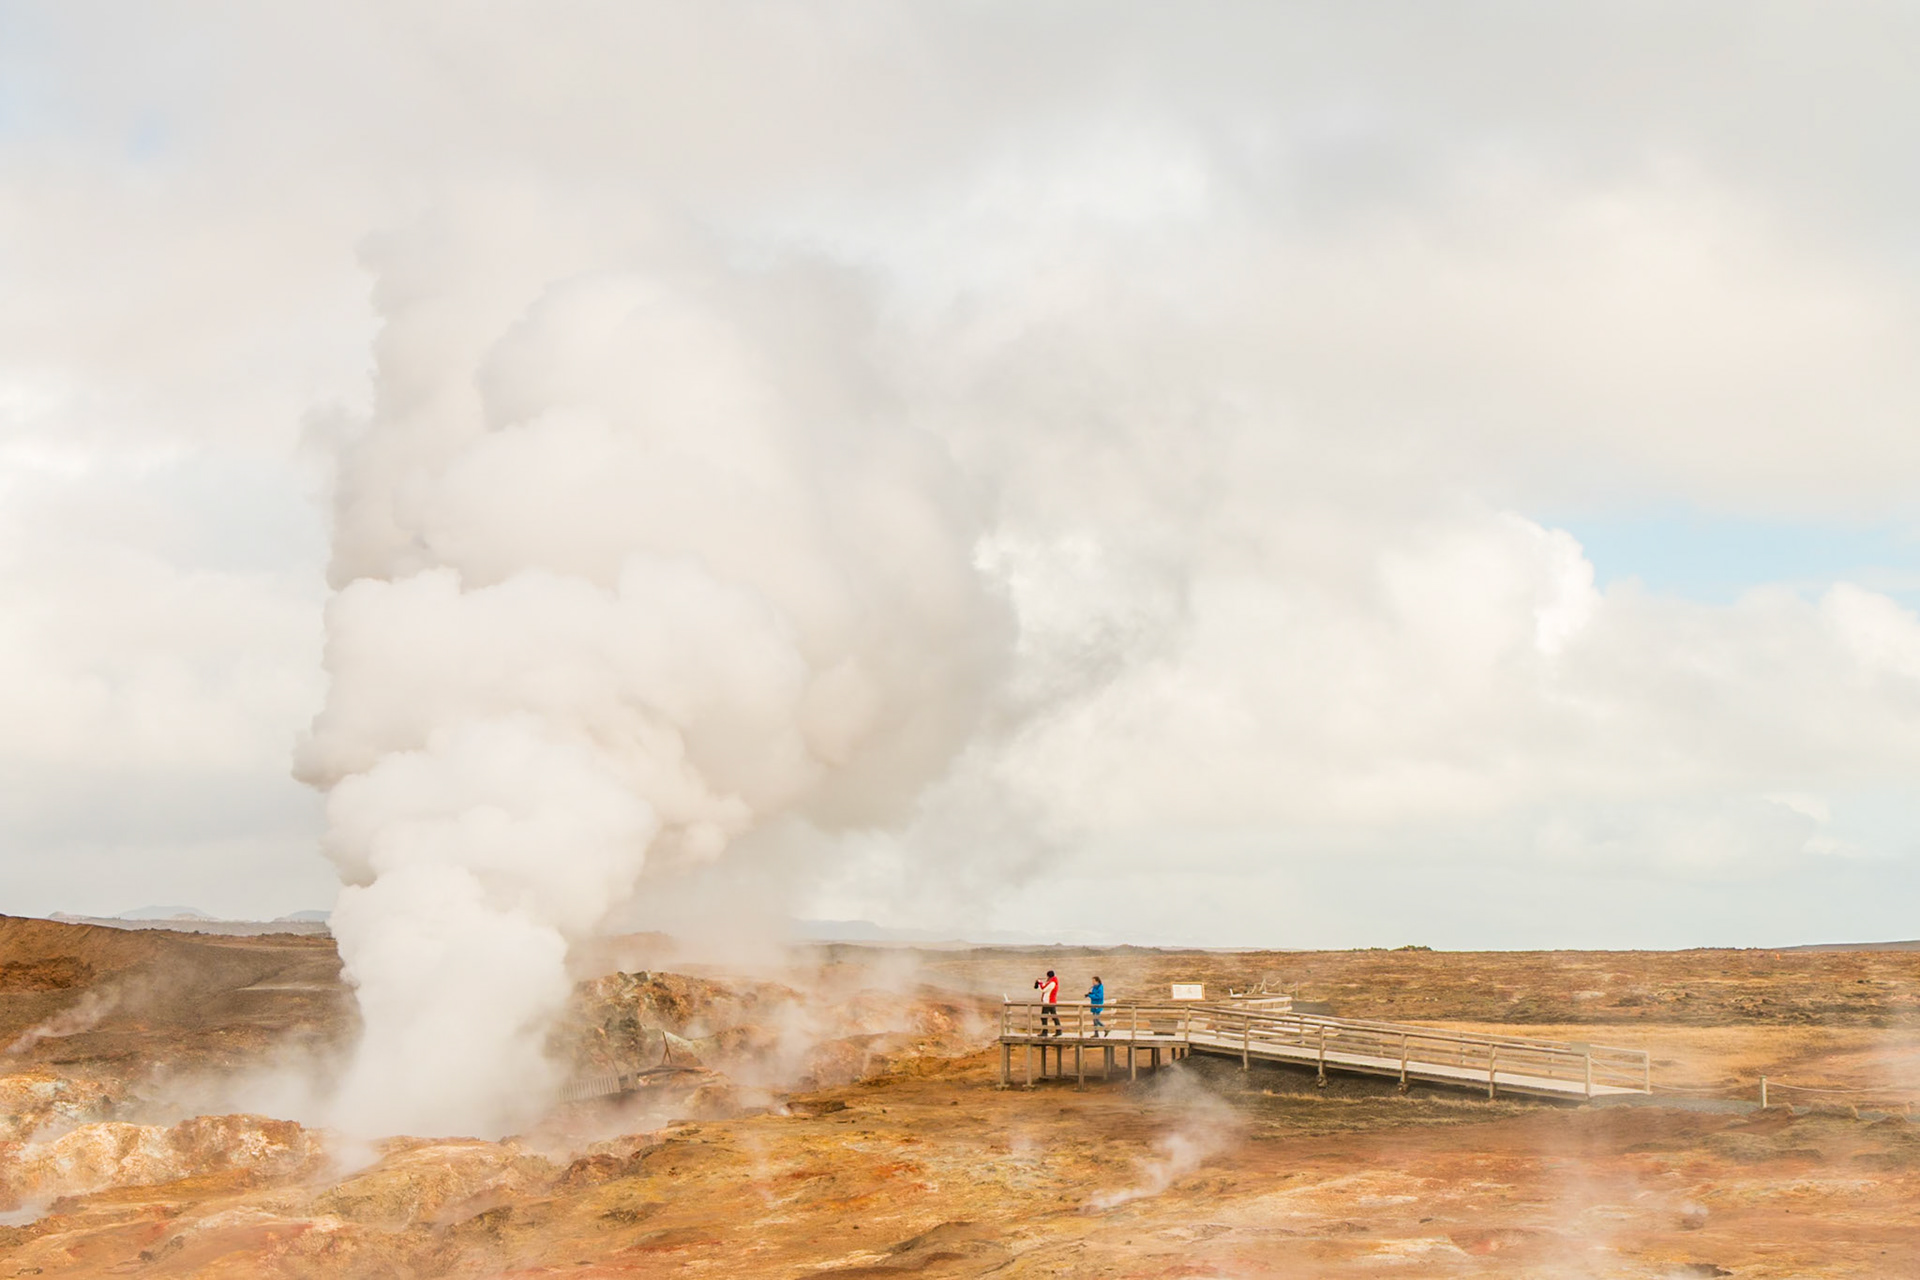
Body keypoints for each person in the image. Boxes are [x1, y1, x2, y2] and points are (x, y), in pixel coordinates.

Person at [1034, 969, 1061, 1036]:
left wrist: (1039, 983)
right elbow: (1045, 987)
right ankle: (1058, 1030)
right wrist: (1040, 983)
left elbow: (1043, 989)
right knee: (1054, 1016)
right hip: (1051, 1002)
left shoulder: (1052, 983)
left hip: (1048, 1002)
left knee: (1044, 1017)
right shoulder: (1053, 982)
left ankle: (1045, 1032)